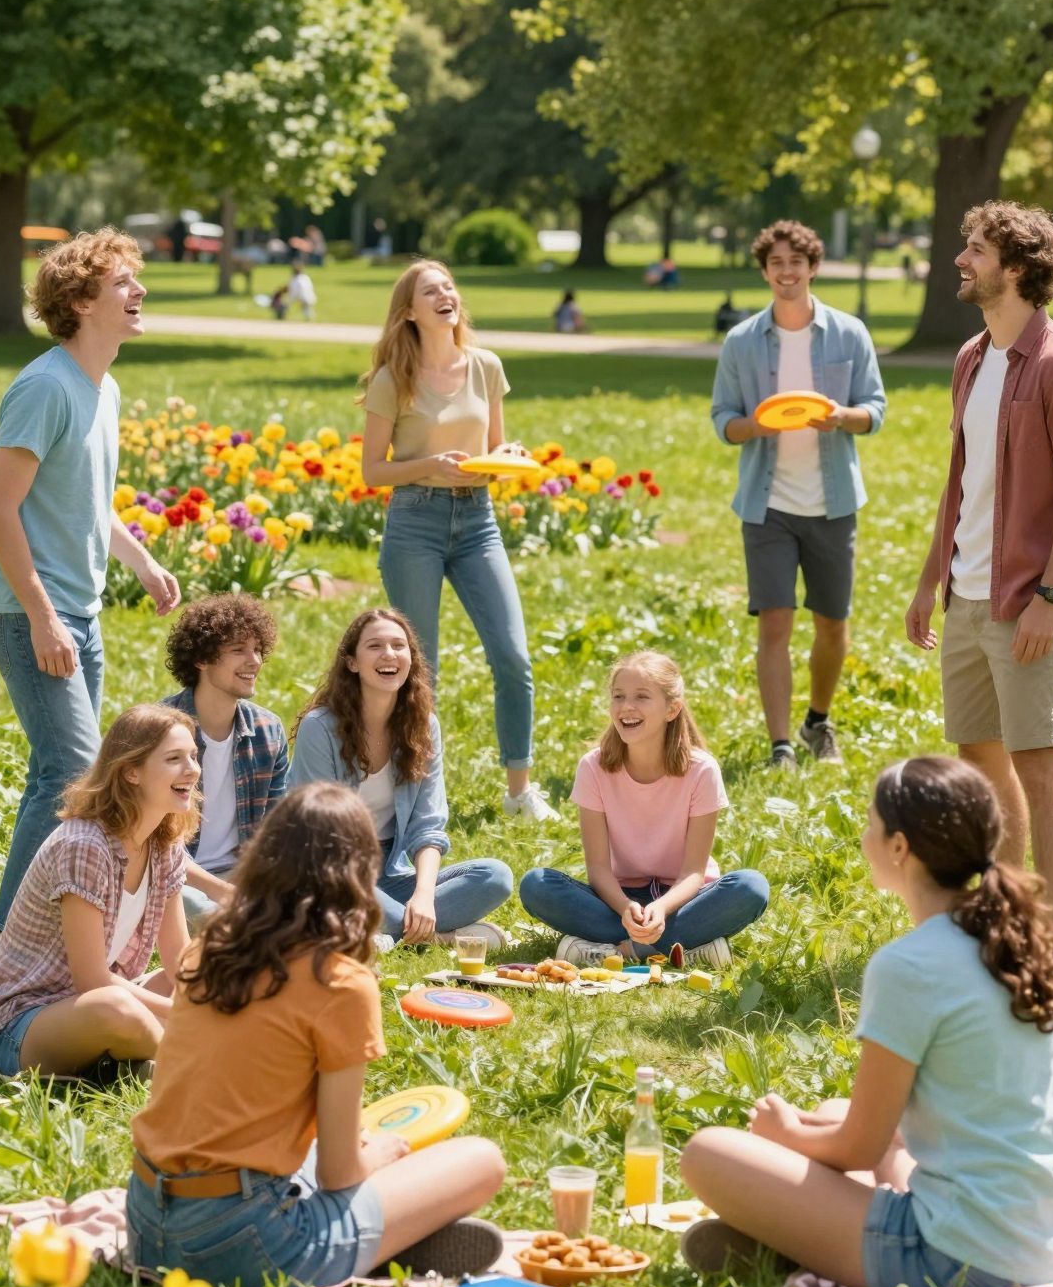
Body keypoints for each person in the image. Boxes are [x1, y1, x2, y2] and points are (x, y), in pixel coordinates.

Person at [679, 755, 1053, 1287]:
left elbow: (858, 1148)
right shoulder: (1011, 939)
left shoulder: (910, 965)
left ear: (900, 848)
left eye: (871, 825)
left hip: (968, 1257)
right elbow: (871, 1132)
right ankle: (805, 1239)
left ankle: (800, 1244)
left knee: (707, 1152)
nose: (863, 836)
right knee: (830, 1112)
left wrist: (785, 1134)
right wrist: (808, 1131)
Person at [127, 781, 507, 1287]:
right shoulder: (341, 982)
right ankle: (377, 1240)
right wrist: (384, 1155)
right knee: (481, 1160)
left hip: (148, 1220)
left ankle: (381, 1237)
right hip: (244, 1239)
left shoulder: (209, 949)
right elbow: (339, 1173)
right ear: (359, 874)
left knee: (334, 1152)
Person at [0, 229, 181, 965]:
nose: (141, 292)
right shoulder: (44, 386)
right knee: (72, 771)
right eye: (124, 282)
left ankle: (9, 932)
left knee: (59, 773)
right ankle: (12, 941)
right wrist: (41, 616)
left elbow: (91, 503)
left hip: (79, 613)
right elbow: (1, 509)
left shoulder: (104, 385)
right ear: (78, 300)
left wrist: (144, 562)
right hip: (26, 610)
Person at [905, 202, 1053, 949]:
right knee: (983, 763)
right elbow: (961, 482)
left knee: (1039, 764)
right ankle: (1007, 918)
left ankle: (1049, 943)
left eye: (977, 249)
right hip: (966, 593)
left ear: (1016, 269)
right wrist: (931, 581)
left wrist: (1051, 597)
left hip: (1030, 599)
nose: (962, 259)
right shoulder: (971, 357)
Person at [359, 258, 551, 821]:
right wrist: (427, 466)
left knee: (513, 657)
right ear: (410, 312)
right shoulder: (393, 378)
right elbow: (373, 469)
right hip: (414, 522)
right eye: (430, 290)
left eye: (448, 287)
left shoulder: (486, 367)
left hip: (477, 523)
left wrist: (507, 459)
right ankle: (415, 794)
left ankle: (520, 792)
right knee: (420, 670)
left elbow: (496, 451)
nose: (445, 295)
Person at [711, 219, 886, 768]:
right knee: (776, 625)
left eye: (796, 263)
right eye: (776, 264)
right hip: (768, 508)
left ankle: (818, 721)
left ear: (813, 267)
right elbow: (722, 418)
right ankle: (781, 745)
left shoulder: (849, 333)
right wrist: (754, 426)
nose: (786, 273)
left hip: (833, 504)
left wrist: (842, 417)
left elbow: (875, 410)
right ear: (765, 272)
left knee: (833, 624)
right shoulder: (741, 342)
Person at [0, 707, 196, 1079]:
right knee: (115, 1009)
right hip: (22, 1026)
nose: (192, 768)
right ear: (131, 771)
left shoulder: (165, 844)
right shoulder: (85, 845)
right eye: (175, 759)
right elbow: (93, 981)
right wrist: (191, 1017)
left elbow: (180, 960)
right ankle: (202, 1056)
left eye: (193, 756)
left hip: (97, 1003)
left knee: (213, 961)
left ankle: (146, 1058)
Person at [519, 651, 769, 967]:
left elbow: (694, 872)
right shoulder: (593, 768)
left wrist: (662, 909)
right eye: (618, 696)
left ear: (672, 709)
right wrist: (625, 909)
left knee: (751, 886)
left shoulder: (702, 770)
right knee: (536, 885)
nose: (626, 707)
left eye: (641, 697)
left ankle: (622, 951)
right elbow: (598, 869)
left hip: (684, 900)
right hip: (618, 900)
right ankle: (685, 947)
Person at [289, 608, 513, 948]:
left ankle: (384, 931)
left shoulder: (422, 727)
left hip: (389, 872)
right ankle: (435, 938)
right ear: (352, 662)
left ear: (411, 658)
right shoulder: (320, 728)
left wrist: (423, 896)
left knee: (495, 876)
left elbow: (428, 824)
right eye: (375, 646)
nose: (389, 654)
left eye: (399, 645)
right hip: (327, 873)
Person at [161, 595, 289, 930]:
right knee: (210, 914)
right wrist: (222, 891)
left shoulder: (268, 730)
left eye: (258, 649)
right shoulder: (161, 731)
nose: (254, 661)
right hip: (177, 877)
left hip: (241, 876)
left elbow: (273, 831)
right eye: (238, 650)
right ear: (202, 659)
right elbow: (152, 842)